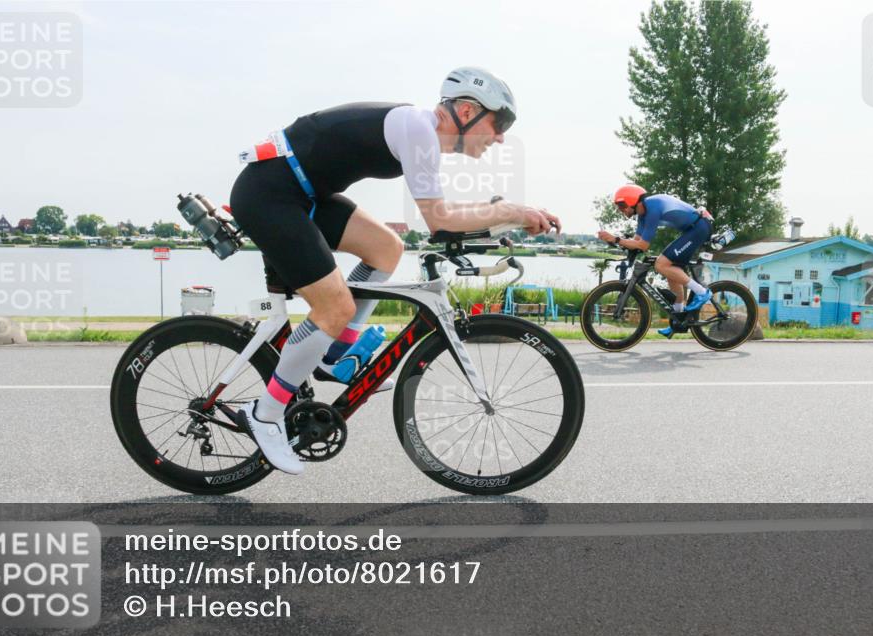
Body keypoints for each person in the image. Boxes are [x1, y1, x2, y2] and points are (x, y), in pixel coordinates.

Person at [228, 67, 561, 474]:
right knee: (334, 309)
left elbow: (443, 218)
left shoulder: (423, 135)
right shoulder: (419, 130)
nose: (502, 136)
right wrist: (511, 211)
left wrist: (511, 217)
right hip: (271, 192)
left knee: (387, 248)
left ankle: (333, 358)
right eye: (500, 122)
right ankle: (264, 413)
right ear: (469, 111)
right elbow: (439, 220)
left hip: (304, 193)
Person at [597, 184, 714, 337]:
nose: (621, 210)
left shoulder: (652, 207)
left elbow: (643, 245)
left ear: (634, 201)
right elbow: (636, 241)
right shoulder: (642, 214)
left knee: (661, 264)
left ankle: (701, 292)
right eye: (619, 207)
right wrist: (615, 242)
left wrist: (616, 238)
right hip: (691, 230)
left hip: (699, 228)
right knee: (671, 272)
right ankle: (678, 321)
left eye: (622, 205)